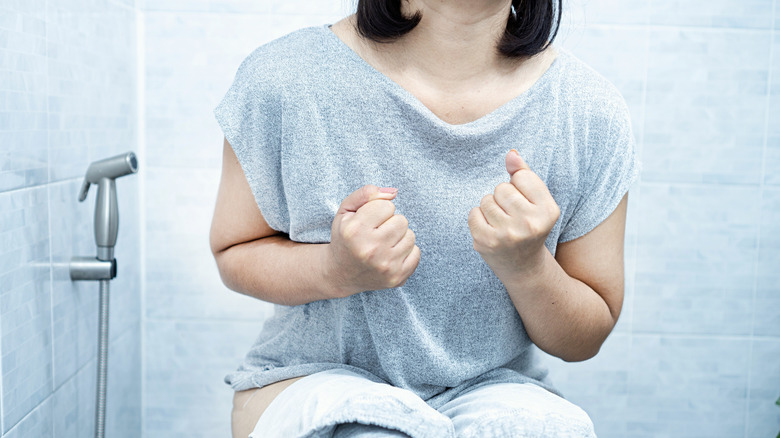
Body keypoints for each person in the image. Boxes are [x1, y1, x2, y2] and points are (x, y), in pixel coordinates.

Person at [210, 0, 640, 436]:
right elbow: (234, 251)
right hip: (312, 376)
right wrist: (334, 270)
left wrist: (530, 267)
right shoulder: (283, 79)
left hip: (497, 388)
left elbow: (584, 337)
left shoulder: (590, 113)